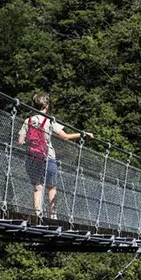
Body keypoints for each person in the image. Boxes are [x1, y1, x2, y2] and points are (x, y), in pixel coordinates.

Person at [18, 93, 94, 223]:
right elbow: (65, 136)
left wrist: (32, 144)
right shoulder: (49, 120)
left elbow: (20, 141)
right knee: (51, 186)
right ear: (46, 106)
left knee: (38, 186)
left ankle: (38, 215)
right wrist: (83, 134)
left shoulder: (28, 121)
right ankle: (53, 216)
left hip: (32, 157)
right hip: (48, 157)